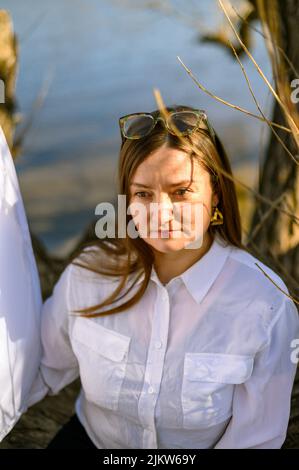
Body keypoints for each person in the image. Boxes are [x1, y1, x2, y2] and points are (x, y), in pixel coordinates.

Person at [26, 104, 299, 449]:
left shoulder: (266, 306)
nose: (161, 213)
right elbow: (39, 369)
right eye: (143, 194)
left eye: (180, 192)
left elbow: (255, 440)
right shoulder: (88, 276)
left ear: (215, 191)